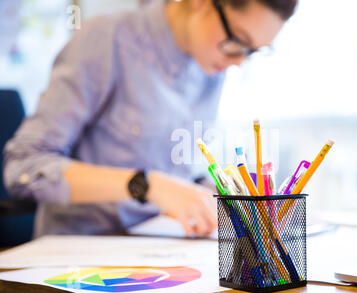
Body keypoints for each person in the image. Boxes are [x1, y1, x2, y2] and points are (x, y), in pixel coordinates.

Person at [3, 0, 297, 238]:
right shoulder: (106, 40)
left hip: (164, 248)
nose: (238, 61)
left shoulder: (209, 64)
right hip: (84, 258)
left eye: (253, 51)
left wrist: (216, 196)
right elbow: (23, 167)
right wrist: (147, 185)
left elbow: (180, 171)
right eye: (237, 40)